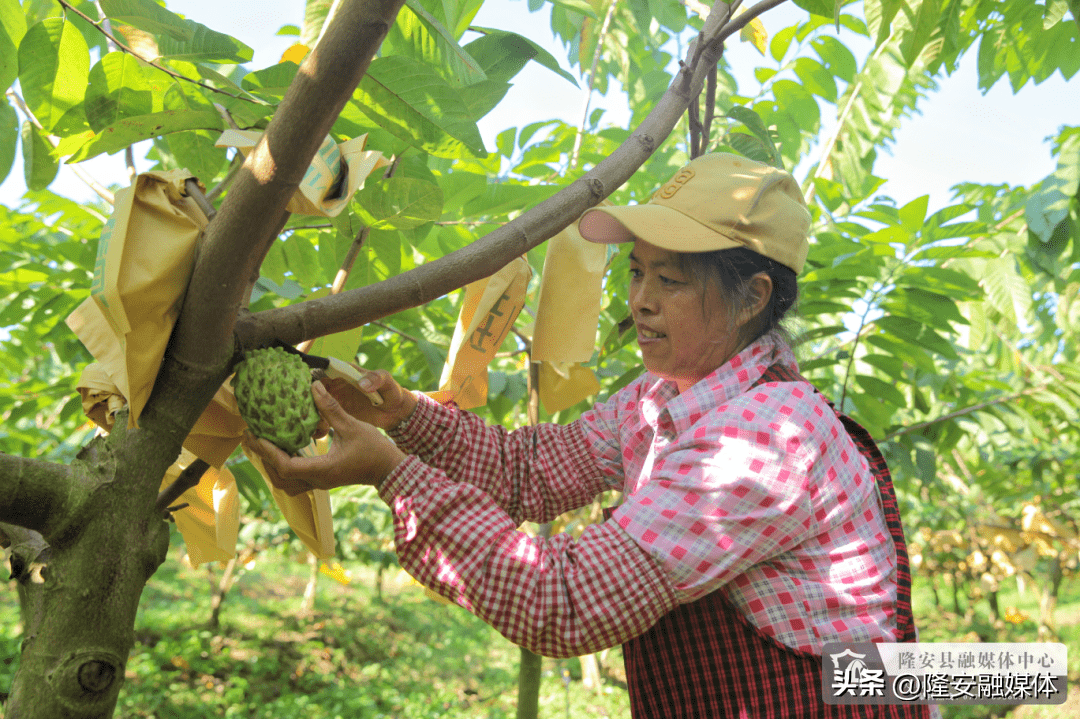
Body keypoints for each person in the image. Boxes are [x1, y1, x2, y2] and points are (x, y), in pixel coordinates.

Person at [244, 153, 929, 718]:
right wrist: (408, 419)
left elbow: (566, 601)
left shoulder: (766, 436)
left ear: (752, 297)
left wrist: (391, 473)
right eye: (636, 272)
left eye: (671, 279)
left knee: (1023, 677)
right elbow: (528, 470)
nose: (640, 300)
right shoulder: (659, 399)